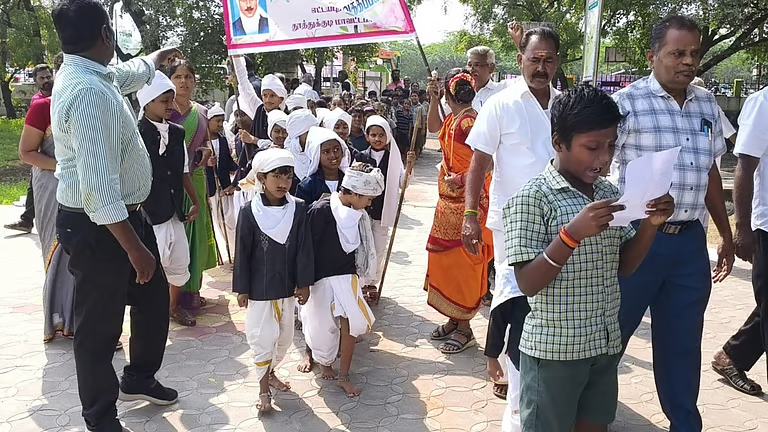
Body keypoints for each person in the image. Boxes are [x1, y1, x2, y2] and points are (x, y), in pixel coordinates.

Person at [506, 85, 675, 432]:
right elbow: (528, 283)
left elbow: (625, 265)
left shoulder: (609, 194)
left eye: (611, 146)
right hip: (555, 354)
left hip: (603, 345)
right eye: (592, 147)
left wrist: (650, 225)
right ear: (559, 143)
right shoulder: (533, 199)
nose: (604, 158)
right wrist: (570, 235)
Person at [50, 0, 181, 429]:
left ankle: (139, 378)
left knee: (152, 299)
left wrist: (155, 59)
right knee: (99, 329)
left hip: (122, 218)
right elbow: (98, 189)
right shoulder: (87, 93)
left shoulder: (90, 72)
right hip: (98, 225)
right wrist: (135, 250)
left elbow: (125, 74)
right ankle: (101, 418)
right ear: (106, 34)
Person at [611, 15, 735, 431]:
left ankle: (685, 424)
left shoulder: (706, 104)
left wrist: (726, 234)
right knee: (611, 336)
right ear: (652, 56)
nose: (688, 61)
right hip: (637, 240)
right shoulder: (626, 104)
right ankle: (590, 417)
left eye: (693, 53)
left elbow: (711, 172)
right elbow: (599, 165)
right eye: (677, 53)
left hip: (688, 244)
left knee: (682, 343)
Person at [457, 26, 561, 422]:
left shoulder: (564, 105)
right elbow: (478, 163)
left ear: (557, 63)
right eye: (534, 59)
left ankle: (542, 380)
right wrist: (470, 215)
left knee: (549, 305)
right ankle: (516, 396)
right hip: (513, 224)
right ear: (520, 60)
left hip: (559, 223)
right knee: (517, 302)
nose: (541, 66)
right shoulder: (501, 104)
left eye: (548, 59)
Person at [234, 148, 314, 413]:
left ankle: (269, 372)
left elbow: (303, 248)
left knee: (284, 338)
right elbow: (243, 252)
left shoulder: (298, 208)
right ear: (261, 178)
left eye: (288, 176)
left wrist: (304, 283)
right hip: (259, 288)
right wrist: (242, 288)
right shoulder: (249, 211)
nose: (283, 182)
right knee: (262, 337)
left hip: (287, 287)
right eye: (276, 176)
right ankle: (263, 390)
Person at [301, 162, 384, 397]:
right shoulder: (321, 210)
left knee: (351, 323)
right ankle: (323, 360)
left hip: (347, 276)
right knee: (320, 327)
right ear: (355, 193)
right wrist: (303, 283)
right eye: (368, 199)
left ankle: (344, 375)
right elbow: (306, 249)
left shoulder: (359, 215)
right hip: (320, 278)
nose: (369, 204)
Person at [424, 69, 493, 354]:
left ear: (448, 92)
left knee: (464, 264)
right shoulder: (455, 118)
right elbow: (433, 127)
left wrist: (462, 179)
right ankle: (455, 319)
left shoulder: (468, 122)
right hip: (448, 202)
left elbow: (488, 163)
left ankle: (465, 328)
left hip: (469, 204)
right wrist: (432, 99)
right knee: (445, 259)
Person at [710, 86, 768, 396]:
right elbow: (745, 166)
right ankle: (731, 357)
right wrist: (741, 228)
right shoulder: (763, 103)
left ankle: (731, 357)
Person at [136, 71, 201, 327]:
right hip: (148, 212)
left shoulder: (177, 133)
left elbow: (183, 170)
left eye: (171, 100)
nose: (170, 106)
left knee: (178, 261)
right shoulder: (136, 134)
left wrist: (194, 200)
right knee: (152, 264)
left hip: (173, 210)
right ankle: (149, 314)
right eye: (164, 101)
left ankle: (172, 308)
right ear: (147, 103)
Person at [18, 65, 77, 342]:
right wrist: (64, 167)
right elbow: (26, 152)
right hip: (52, 184)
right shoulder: (43, 107)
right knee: (58, 248)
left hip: (86, 185)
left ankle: (82, 317)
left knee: (84, 251)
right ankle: (59, 318)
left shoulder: (90, 104)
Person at [168, 59, 218, 311]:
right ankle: (172, 296)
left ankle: (192, 290)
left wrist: (207, 152)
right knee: (174, 233)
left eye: (188, 77)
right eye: (178, 77)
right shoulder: (164, 109)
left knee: (195, 234)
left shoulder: (201, 112)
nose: (184, 82)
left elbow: (206, 143)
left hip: (196, 177)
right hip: (170, 180)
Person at [354, 116, 415, 303]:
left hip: (382, 211)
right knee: (363, 247)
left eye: (381, 135)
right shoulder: (360, 157)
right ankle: (361, 283)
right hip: (362, 212)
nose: (377, 139)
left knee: (379, 248)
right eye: (373, 135)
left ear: (387, 136)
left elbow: (403, 183)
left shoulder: (393, 160)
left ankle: (373, 282)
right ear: (367, 136)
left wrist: (409, 166)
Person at [5, 64, 56, 234]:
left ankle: (27, 220)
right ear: (35, 81)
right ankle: (27, 220)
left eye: (48, 76)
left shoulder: (61, 95)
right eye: (42, 78)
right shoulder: (37, 102)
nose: (46, 80)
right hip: (43, 154)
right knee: (33, 185)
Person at [205, 103, 239, 263]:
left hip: (224, 186)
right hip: (210, 188)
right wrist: (206, 163)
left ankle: (234, 251)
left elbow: (228, 162)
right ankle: (222, 255)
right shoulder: (202, 142)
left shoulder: (223, 140)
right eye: (217, 121)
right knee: (217, 221)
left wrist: (240, 168)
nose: (220, 124)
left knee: (229, 219)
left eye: (221, 121)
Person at [295, 126, 350, 205]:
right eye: (326, 152)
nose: (332, 155)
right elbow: (302, 211)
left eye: (336, 149)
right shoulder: (308, 186)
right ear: (317, 156)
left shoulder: (350, 181)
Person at [285, 108, 319, 184]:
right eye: (309, 132)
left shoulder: (321, 155)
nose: (314, 135)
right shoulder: (286, 160)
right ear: (297, 136)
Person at [410, 91, 427, 157]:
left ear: (418, 98)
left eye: (415, 96)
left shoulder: (421, 107)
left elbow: (423, 118)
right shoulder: (409, 106)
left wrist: (423, 128)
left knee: (418, 143)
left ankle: (416, 156)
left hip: (419, 127)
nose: (414, 97)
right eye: (412, 96)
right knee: (411, 142)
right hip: (410, 127)